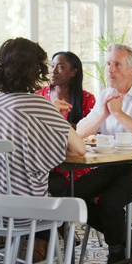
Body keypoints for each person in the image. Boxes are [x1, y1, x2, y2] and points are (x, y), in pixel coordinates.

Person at [0, 37, 86, 264]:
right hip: (24, 208)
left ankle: (24, 255)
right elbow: (79, 149)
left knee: (52, 186)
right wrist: (56, 118)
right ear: (34, 69)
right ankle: (41, 263)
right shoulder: (39, 105)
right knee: (57, 193)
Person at [75, 44, 132, 264]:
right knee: (73, 195)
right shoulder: (106, 95)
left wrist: (117, 113)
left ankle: (116, 253)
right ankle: (125, 239)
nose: (110, 69)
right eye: (108, 63)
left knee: (108, 203)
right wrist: (104, 112)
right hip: (110, 164)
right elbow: (80, 132)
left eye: (117, 64)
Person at [37, 51, 96, 197]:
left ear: (73, 72)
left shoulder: (87, 99)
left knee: (86, 187)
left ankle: (75, 214)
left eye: (61, 67)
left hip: (75, 157)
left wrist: (58, 121)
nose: (53, 71)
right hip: (46, 160)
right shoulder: (39, 96)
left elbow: (90, 134)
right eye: (52, 66)